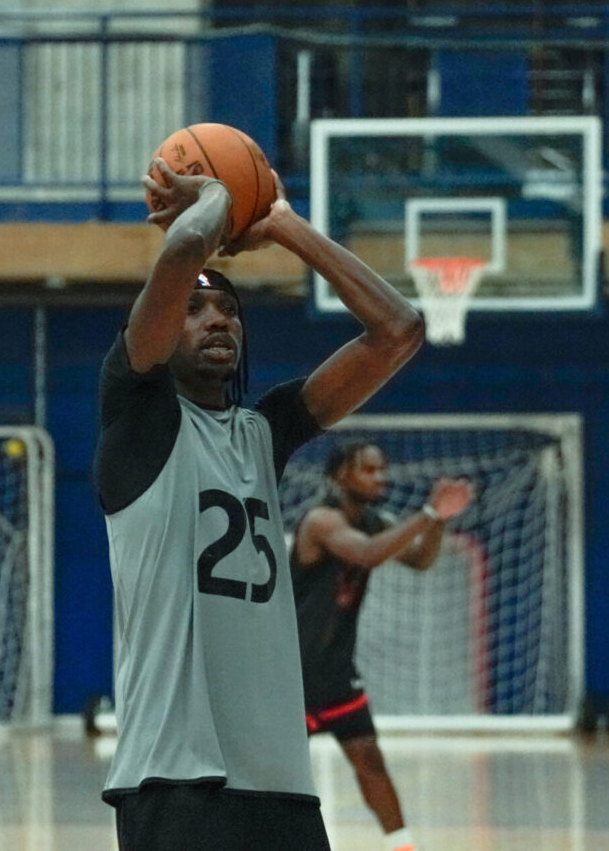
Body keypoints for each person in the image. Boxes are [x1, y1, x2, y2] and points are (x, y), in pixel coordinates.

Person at [93, 158, 425, 851]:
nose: (216, 317)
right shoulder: (137, 415)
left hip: (281, 785)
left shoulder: (262, 433)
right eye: (194, 307)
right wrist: (219, 193)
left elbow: (398, 329)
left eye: (229, 310)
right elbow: (185, 248)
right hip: (174, 782)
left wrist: (283, 223)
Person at [291, 442, 474, 851]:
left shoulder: (373, 520)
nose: (381, 478)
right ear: (340, 476)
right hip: (291, 675)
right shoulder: (321, 519)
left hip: (336, 673)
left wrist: (440, 521)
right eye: (369, 470)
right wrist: (427, 513)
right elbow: (369, 555)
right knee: (280, 782)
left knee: (369, 760)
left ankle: (402, 846)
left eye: (382, 470)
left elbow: (421, 559)